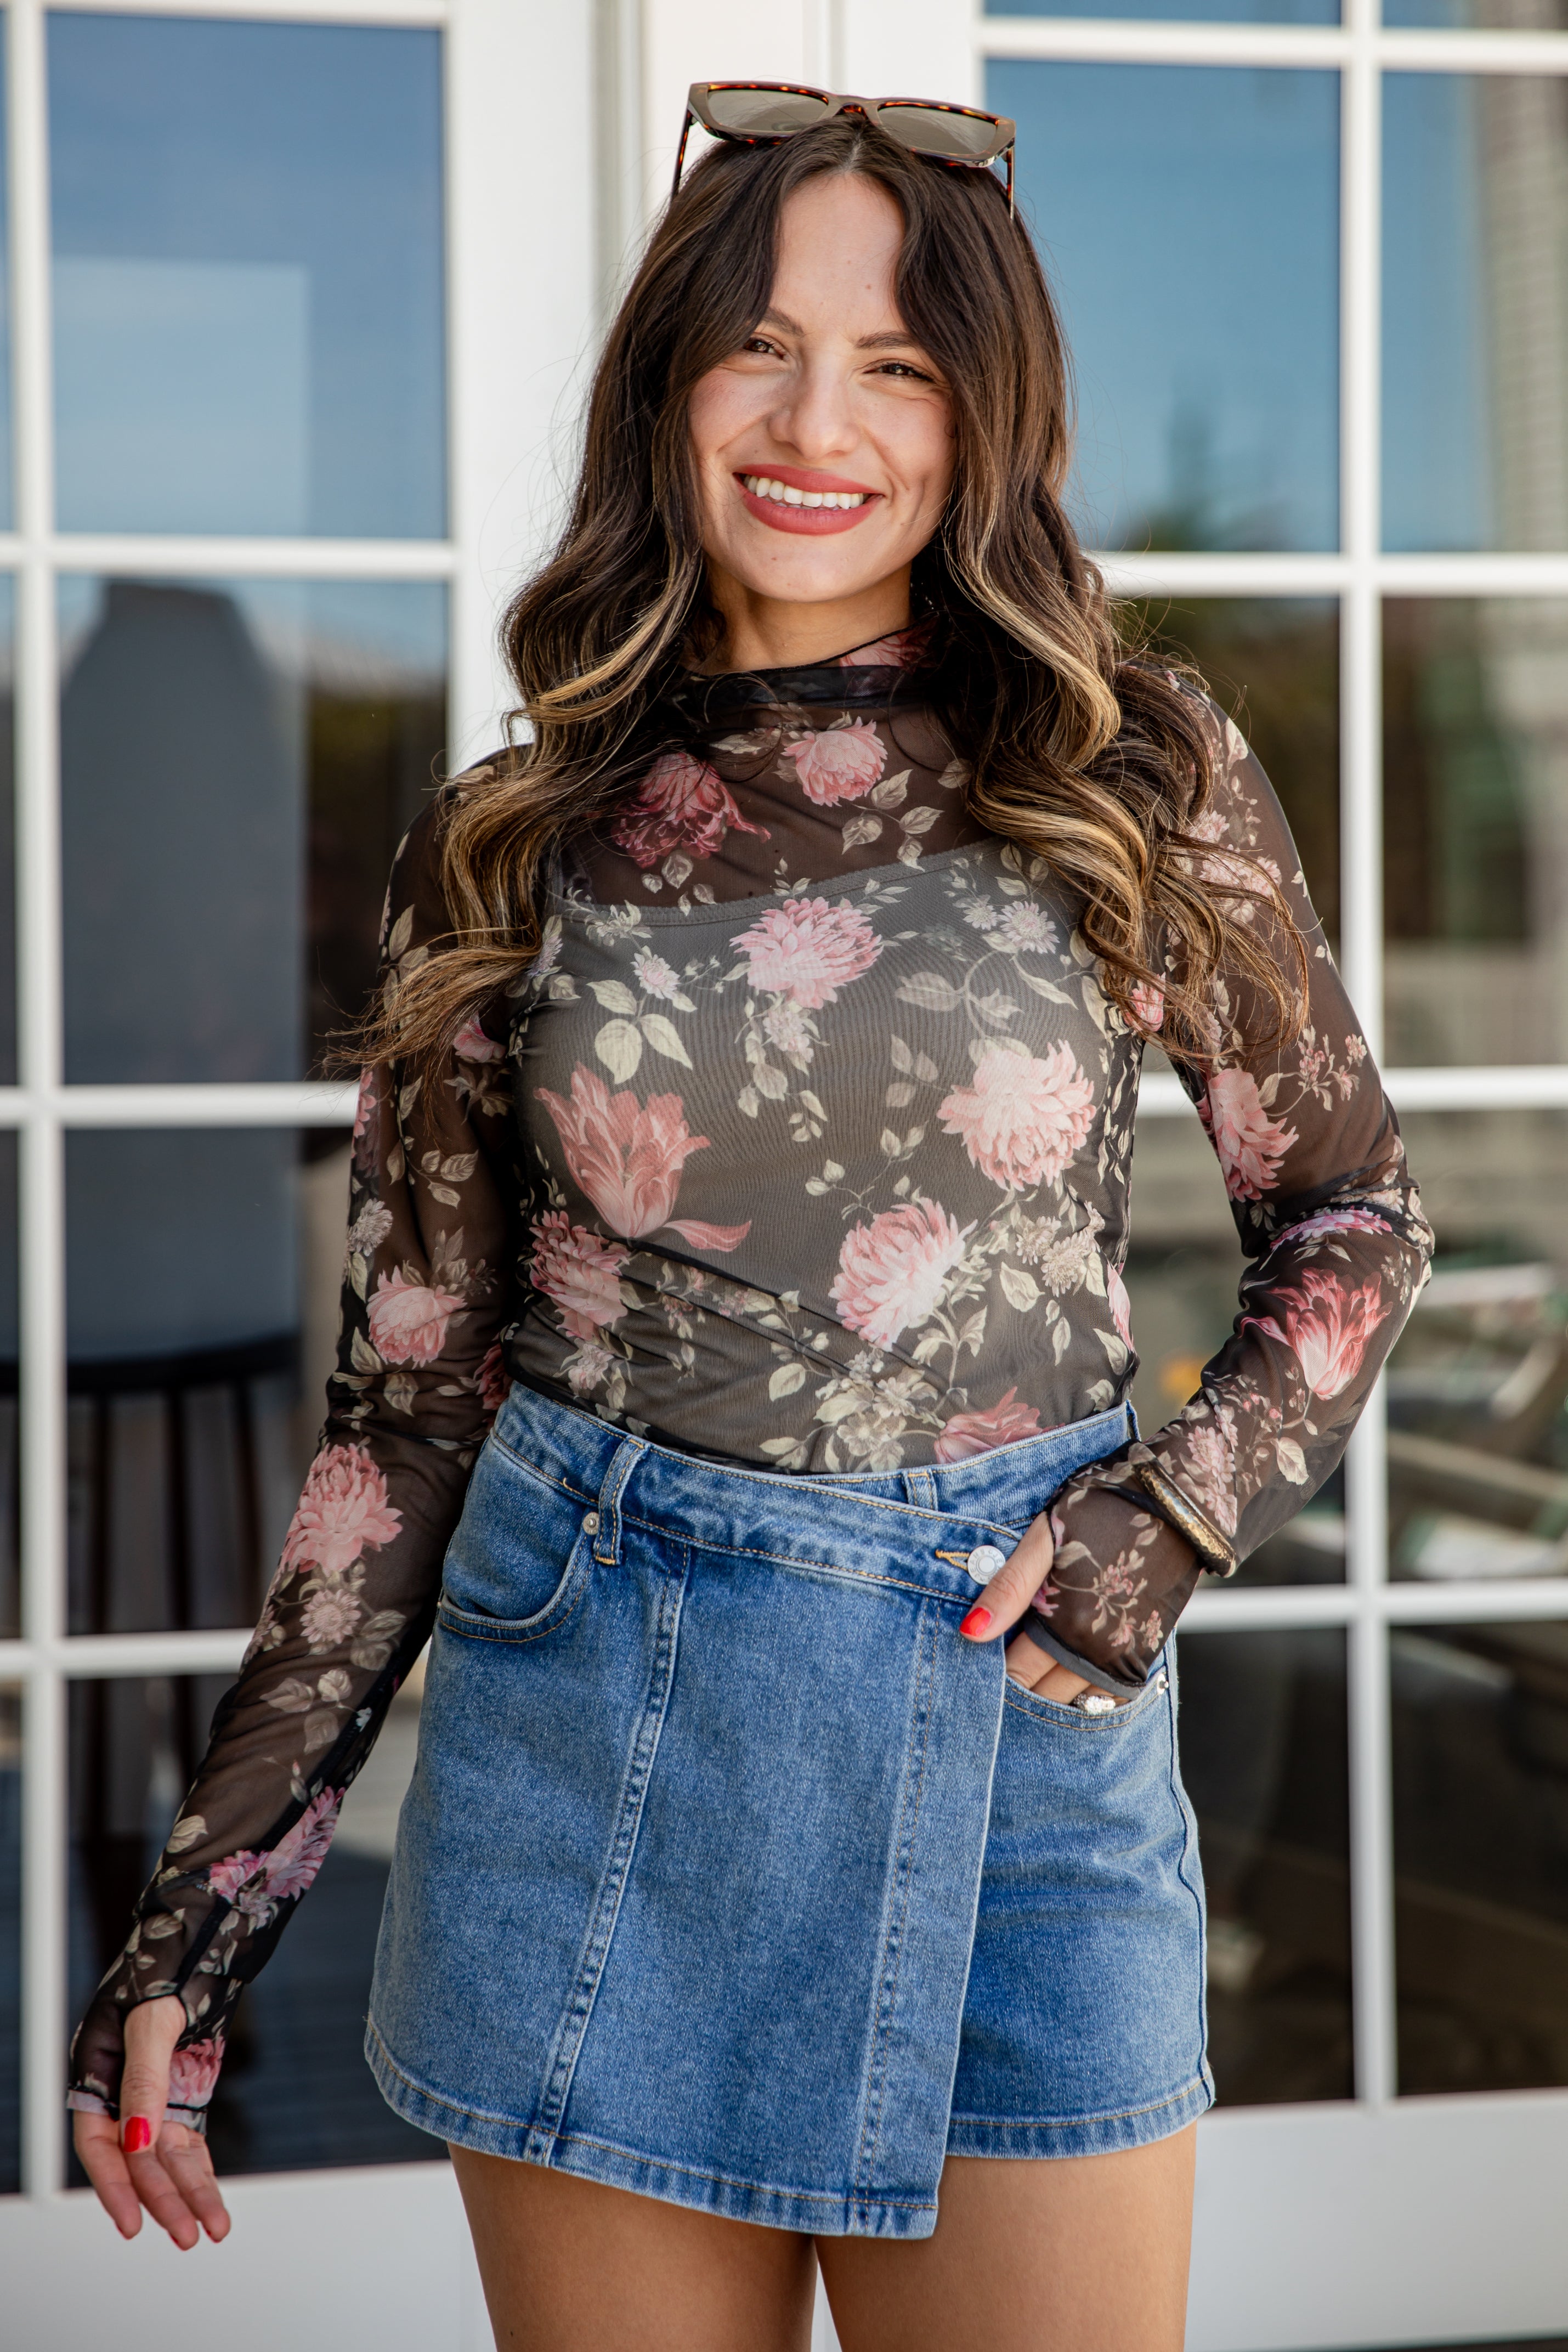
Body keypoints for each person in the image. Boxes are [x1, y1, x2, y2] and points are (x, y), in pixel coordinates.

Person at [67, 91, 1431, 2352]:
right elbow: (405, 1409)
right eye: (759, 350)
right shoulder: (516, 837)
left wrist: (1167, 1517)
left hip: (1015, 1745)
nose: (819, 424)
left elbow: (1352, 1216)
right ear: (666, 388)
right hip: (594, 1716)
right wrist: (203, 1914)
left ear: (982, 415)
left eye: (896, 365)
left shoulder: (1132, 768)